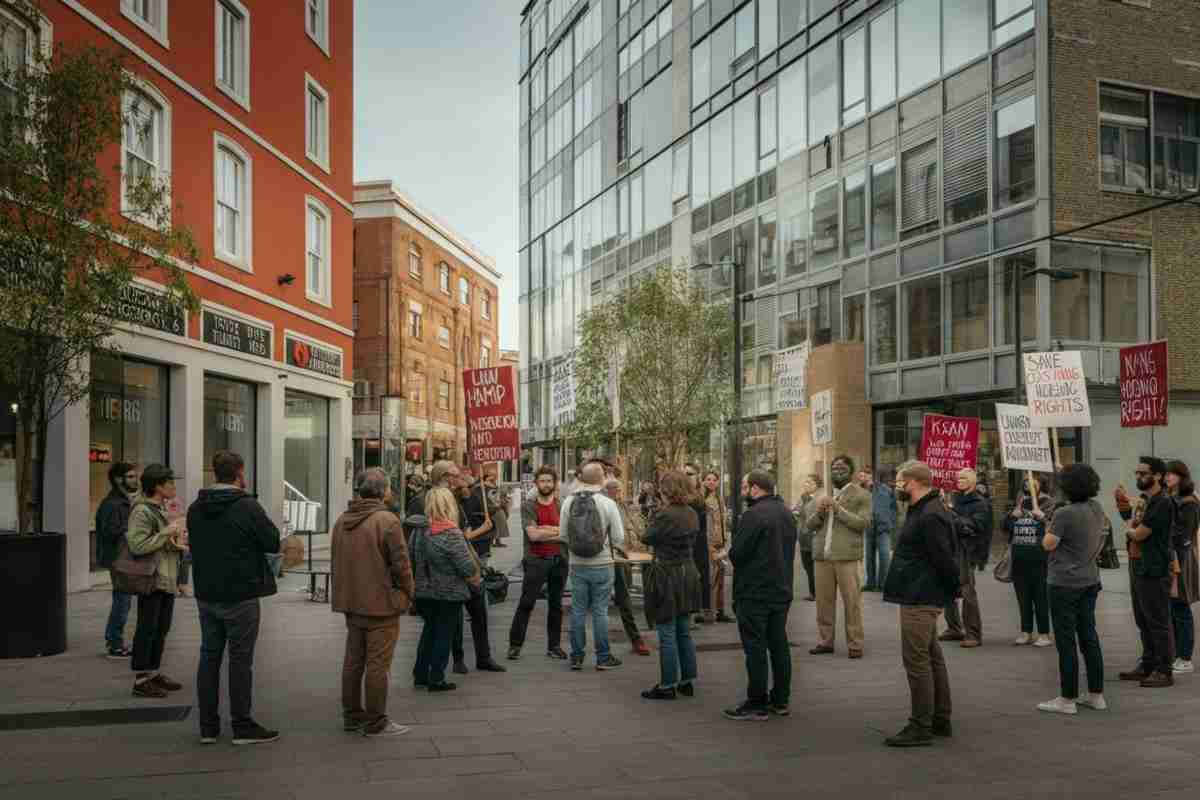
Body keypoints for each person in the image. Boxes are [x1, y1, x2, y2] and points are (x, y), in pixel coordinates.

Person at [187, 450, 282, 745]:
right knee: (240, 660)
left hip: (206, 593)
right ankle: (241, 724)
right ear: (239, 473)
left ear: (215, 473)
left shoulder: (195, 508)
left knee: (209, 656)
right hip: (241, 593)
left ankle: (208, 727)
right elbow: (272, 540)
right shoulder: (247, 506)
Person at [330, 468, 414, 737]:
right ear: (383, 491)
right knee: (378, 664)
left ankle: (352, 715)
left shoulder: (342, 520)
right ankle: (376, 721)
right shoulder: (387, 520)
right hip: (381, 604)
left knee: (354, 661)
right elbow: (401, 565)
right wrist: (407, 594)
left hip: (352, 602)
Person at [882, 461, 959, 747]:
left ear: (913, 482)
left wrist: (949, 594)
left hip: (921, 595)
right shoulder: (924, 509)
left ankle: (921, 724)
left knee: (917, 661)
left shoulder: (930, 514)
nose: (897, 487)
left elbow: (944, 558)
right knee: (931, 658)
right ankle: (939, 718)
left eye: (900, 481)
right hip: (919, 592)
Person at [723, 470, 796, 720]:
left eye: (744, 487)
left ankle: (757, 702)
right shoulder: (786, 512)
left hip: (755, 592)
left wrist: (730, 554)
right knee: (778, 645)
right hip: (781, 589)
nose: (742, 491)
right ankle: (780, 699)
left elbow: (738, 553)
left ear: (755, 489)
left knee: (755, 648)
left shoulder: (753, 515)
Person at [1037, 463, 1107, 715]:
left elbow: (1048, 544)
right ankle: (1096, 694)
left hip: (1064, 582)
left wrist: (1046, 524)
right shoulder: (1096, 508)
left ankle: (1067, 698)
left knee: (1066, 640)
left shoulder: (1064, 513)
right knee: (1089, 636)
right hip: (1089, 579)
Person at [411, 487, 481, 696]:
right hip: (448, 593)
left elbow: (412, 556)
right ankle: (437, 678)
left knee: (429, 631)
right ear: (449, 505)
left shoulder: (419, 530)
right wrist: (475, 580)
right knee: (443, 634)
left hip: (423, 591)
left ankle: (420, 674)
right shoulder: (451, 533)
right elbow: (467, 567)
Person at [640, 470, 703, 700]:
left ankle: (667, 685)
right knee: (683, 630)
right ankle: (687, 680)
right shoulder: (692, 513)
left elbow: (647, 537)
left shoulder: (664, 514)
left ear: (666, 490)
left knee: (666, 631)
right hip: (688, 571)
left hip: (668, 572)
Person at [126, 464, 185, 699]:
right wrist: (166, 532)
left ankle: (153, 672)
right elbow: (137, 545)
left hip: (166, 577)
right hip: (152, 578)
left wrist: (174, 542)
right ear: (158, 486)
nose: (173, 486)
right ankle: (141, 679)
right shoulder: (141, 511)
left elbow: (158, 542)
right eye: (169, 482)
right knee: (147, 629)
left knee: (161, 628)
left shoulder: (158, 507)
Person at [1116, 457, 1176, 687]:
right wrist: (1124, 508)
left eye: (1143, 473)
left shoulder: (1162, 502)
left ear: (1158, 475)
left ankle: (1164, 669)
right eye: (1137, 473)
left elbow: (1140, 533)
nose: (1139, 477)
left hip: (1154, 568)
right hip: (1138, 564)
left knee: (1157, 620)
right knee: (1142, 619)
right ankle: (1148, 663)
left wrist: (1130, 529)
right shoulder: (1145, 500)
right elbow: (1134, 523)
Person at [560, 462, 625, 671]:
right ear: (601, 479)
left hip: (577, 564)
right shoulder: (607, 503)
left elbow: (562, 535)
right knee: (600, 611)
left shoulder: (568, 502)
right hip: (603, 563)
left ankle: (577, 657)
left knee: (578, 610)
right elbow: (618, 537)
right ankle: (603, 657)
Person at [805, 455, 872, 658]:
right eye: (834, 468)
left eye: (842, 468)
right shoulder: (820, 496)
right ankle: (825, 641)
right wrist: (820, 512)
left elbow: (863, 523)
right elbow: (810, 525)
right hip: (822, 556)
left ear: (850, 472)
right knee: (823, 603)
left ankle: (855, 644)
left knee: (852, 602)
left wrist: (838, 509)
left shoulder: (862, 495)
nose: (837, 471)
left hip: (847, 557)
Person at [507, 465, 569, 661]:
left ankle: (554, 646)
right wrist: (556, 531)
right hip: (536, 561)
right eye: (542, 481)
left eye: (549, 481)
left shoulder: (562, 505)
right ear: (536, 484)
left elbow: (569, 534)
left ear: (555, 483)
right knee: (527, 603)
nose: (546, 484)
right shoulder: (529, 506)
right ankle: (515, 645)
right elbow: (533, 536)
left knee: (556, 605)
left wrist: (546, 530)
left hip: (559, 560)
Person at [941, 469, 990, 648]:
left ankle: (973, 633)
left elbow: (975, 527)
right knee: (948, 588)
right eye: (958, 477)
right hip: (951, 548)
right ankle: (954, 628)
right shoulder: (954, 498)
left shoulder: (980, 503)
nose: (958, 480)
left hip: (967, 551)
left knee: (967, 591)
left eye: (963, 478)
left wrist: (952, 514)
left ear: (971, 481)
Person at [1005, 476, 1055, 647]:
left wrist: (1042, 517)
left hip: (1040, 558)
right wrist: (1012, 516)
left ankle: (1043, 633)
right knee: (1023, 598)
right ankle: (1025, 631)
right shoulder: (1019, 502)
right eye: (1025, 480)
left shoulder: (1049, 503)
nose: (1028, 483)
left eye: (1033, 480)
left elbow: (1054, 528)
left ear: (1041, 484)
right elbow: (1006, 528)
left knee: (1040, 597)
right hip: (1020, 558)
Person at [604, 478, 652, 657]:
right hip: (607, 558)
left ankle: (636, 638)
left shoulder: (622, 506)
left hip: (622, 557)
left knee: (624, 599)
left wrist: (637, 544)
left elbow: (631, 528)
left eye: (619, 488)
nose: (618, 492)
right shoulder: (604, 505)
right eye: (615, 489)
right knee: (608, 602)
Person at [96, 461, 138, 659]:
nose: (135, 479)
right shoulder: (113, 504)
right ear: (117, 479)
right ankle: (115, 643)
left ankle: (115, 641)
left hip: (122, 557)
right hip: (118, 558)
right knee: (122, 601)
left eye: (134, 475)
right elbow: (110, 531)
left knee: (123, 600)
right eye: (130, 476)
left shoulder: (123, 501)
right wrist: (133, 530)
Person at [1165, 460, 1199, 675]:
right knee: (1173, 607)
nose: (1167, 477)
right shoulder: (1173, 499)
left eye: (1172, 474)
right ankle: (1177, 653)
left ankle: (1185, 657)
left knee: (1181, 606)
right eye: (1166, 474)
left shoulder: (1189, 502)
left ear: (1181, 476)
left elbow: (1183, 535)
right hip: (1173, 557)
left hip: (1183, 559)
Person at [700, 471, 734, 623]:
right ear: (703, 482)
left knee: (720, 579)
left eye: (714, 479)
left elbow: (722, 521)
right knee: (711, 579)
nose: (711, 482)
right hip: (710, 544)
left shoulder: (719, 498)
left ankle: (720, 611)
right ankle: (709, 612)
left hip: (721, 542)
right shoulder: (703, 499)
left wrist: (725, 541)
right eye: (708, 479)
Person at [683, 464, 712, 625]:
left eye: (690, 474)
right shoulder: (686, 496)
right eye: (684, 474)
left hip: (698, 541)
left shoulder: (699, 497)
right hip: (688, 541)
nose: (686, 476)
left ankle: (700, 610)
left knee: (699, 574)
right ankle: (695, 611)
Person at [861, 466, 897, 592]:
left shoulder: (885, 489)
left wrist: (890, 522)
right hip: (869, 527)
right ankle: (870, 583)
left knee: (884, 555)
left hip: (883, 528)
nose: (862, 477)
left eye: (864, 475)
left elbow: (893, 508)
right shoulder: (861, 490)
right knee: (869, 557)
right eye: (861, 476)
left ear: (870, 475)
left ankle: (882, 584)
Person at [794, 474, 821, 602]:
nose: (806, 485)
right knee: (807, 566)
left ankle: (817, 593)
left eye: (809, 482)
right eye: (805, 482)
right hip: (804, 537)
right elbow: (796, 511)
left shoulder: (819, 499)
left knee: (814, 567)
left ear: (816, 485)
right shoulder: (803, 498)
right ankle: (813, 592)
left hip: (814, 537)